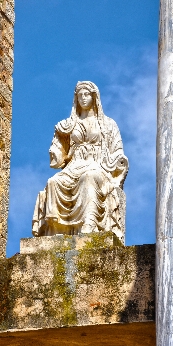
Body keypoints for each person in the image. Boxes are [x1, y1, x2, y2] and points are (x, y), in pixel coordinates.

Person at [32, 81, 128, 237]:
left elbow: (117, 150)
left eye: (86, 94)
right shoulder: (69, 125)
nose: (83, 98)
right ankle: (56, 228)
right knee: (53, 182)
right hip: (73, 166)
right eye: (80, 95)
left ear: (94, 96)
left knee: (88, 178)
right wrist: (58, 140)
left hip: (97, 166)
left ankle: (89, 224)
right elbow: (59, 153)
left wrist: (118, 162)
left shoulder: (108, 124)